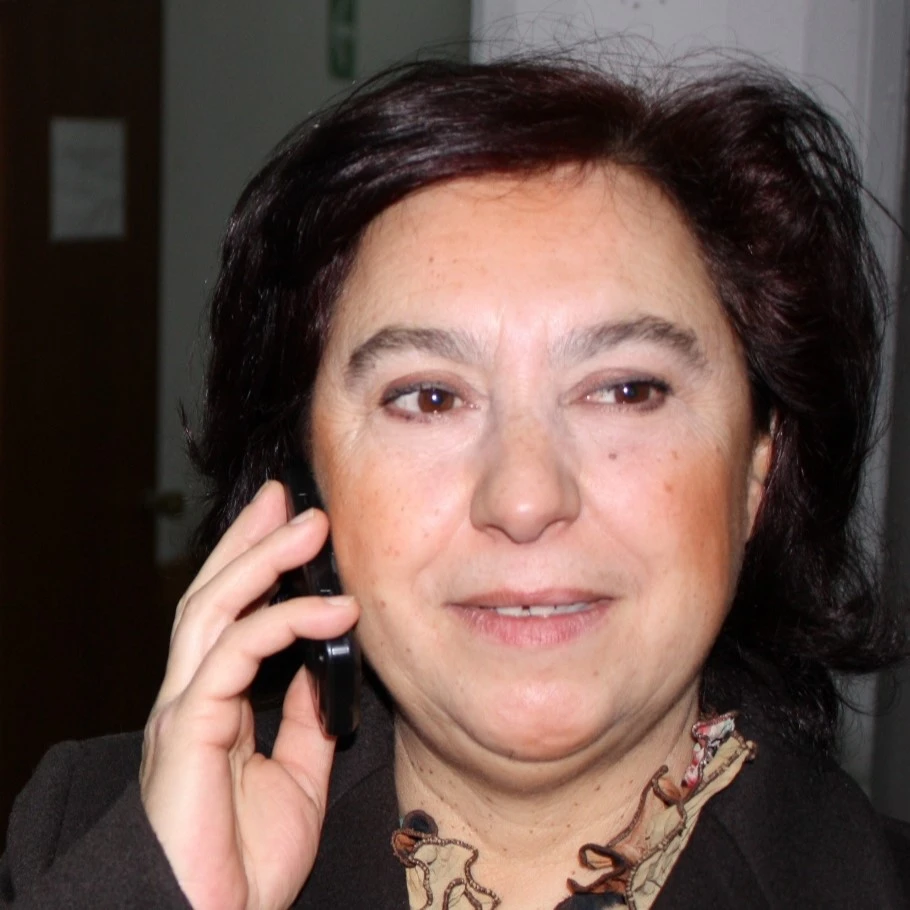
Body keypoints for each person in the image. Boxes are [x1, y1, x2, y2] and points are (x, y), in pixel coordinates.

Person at [2, 52, 910, 909]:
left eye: (627, 390)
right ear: (306, 487)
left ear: (757, 469)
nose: (525, 499)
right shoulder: (88, 845)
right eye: (429, 398)